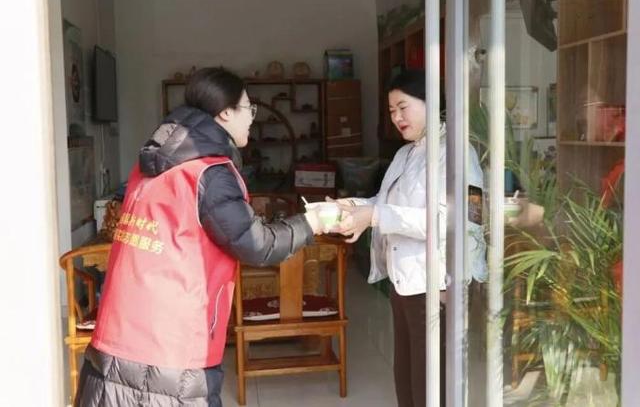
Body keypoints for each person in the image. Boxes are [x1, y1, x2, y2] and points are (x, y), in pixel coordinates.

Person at [75, 67, 325, 407]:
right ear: (225, 113)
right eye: (248, 108)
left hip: (115, 339)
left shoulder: (149, 167)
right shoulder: (209, 172)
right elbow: (258, 246)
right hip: (170, 352)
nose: (251, 119)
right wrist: (313, 222)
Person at [332, 70, 486, 407]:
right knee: (407, 383)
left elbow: (457, 221)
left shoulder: (457, 154)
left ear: (431, 103)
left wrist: (374, 216)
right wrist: (354, 206)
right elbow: (385, 202)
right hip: (405, 285)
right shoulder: (406, 154)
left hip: (437, 288)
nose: (396, 117)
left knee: (432, 390)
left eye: (403, 107)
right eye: (391, 111)